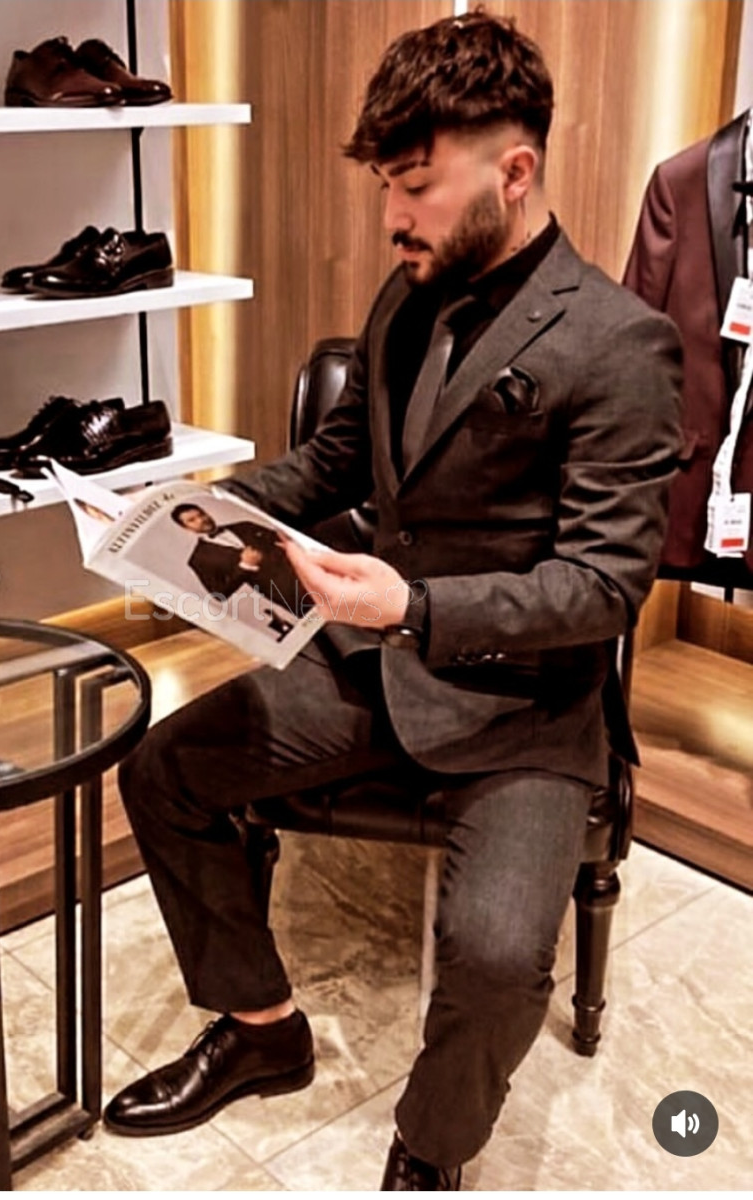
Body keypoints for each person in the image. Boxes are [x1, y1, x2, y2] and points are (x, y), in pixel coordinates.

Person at [103, 10, 683, 1191]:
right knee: (162, 771)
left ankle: (431, 1145)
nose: (391, 217)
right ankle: (263, 1032)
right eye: (386, 186)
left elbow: (604, 586)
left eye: (415, 185)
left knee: (498, 959)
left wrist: (413, 606)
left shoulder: (622, 344)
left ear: (513, 171)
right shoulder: (409, 293)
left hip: (524, 710)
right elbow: (335, 461)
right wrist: (191, 515)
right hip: (372, 668)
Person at [170, 503, 301, 639]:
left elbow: (284, 541)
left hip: (304, 570)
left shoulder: (244, 525)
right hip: (287, 594)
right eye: (192, 520)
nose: (201, 520)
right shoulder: (198, 559)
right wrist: (245, 566)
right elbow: (219, 594)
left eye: (201, 514)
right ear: (185, 527)